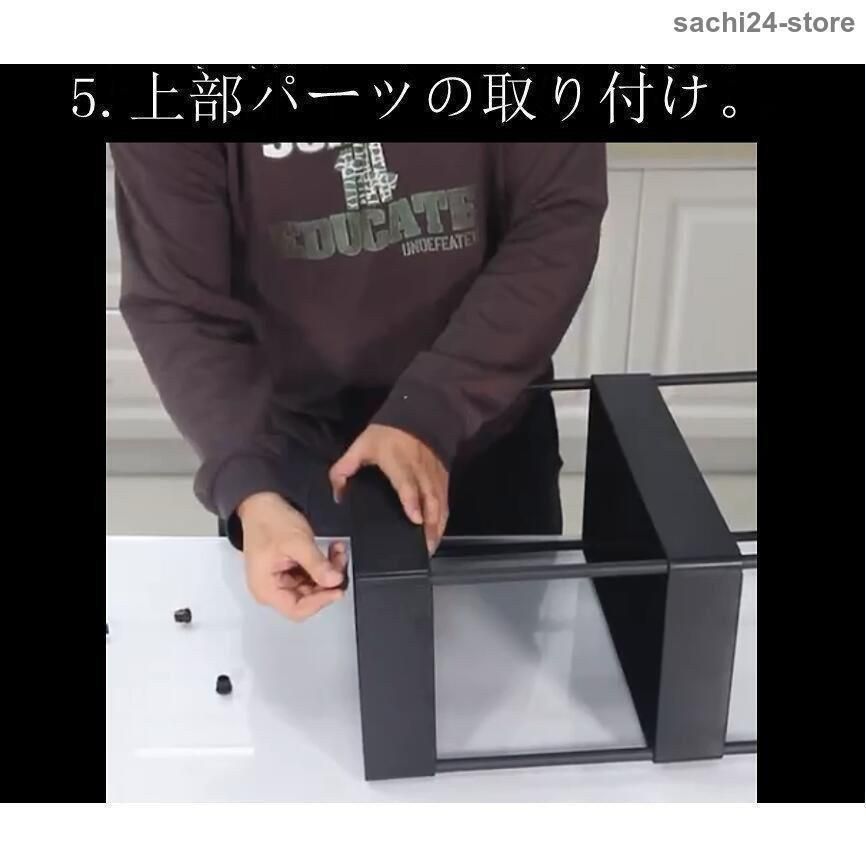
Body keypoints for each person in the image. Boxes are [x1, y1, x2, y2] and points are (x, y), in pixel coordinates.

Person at [111, 142, 607, 622]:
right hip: (292, 457)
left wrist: (431, 408)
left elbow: (557, 216)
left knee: (515, 670)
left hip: (485, 432)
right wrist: (250, 486)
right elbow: (179, 302)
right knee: (305, 670)